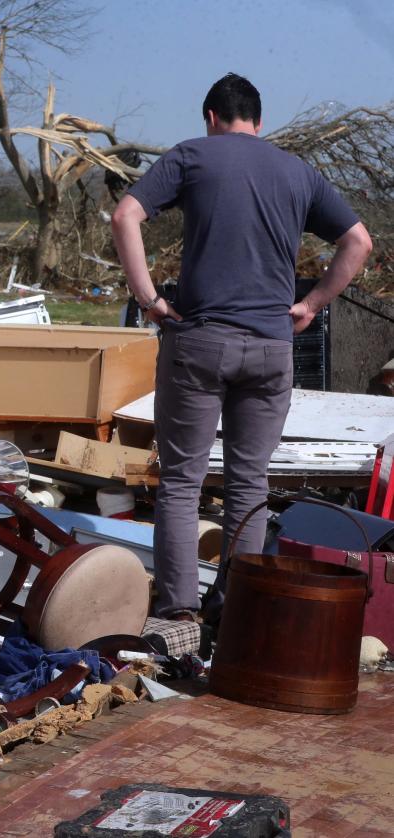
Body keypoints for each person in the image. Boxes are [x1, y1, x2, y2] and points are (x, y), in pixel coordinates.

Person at [111, 73, 372, 621]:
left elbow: (125, 215)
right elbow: (358, 241)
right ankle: (237, 612)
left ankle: (179, 615)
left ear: (210, 118)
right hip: (272, 348)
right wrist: (314, 303)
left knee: (183, 481)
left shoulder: (191, 156)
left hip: (200, 342)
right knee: (249, 483)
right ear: (259, 121)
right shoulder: (297, 171)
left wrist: (150, 298)